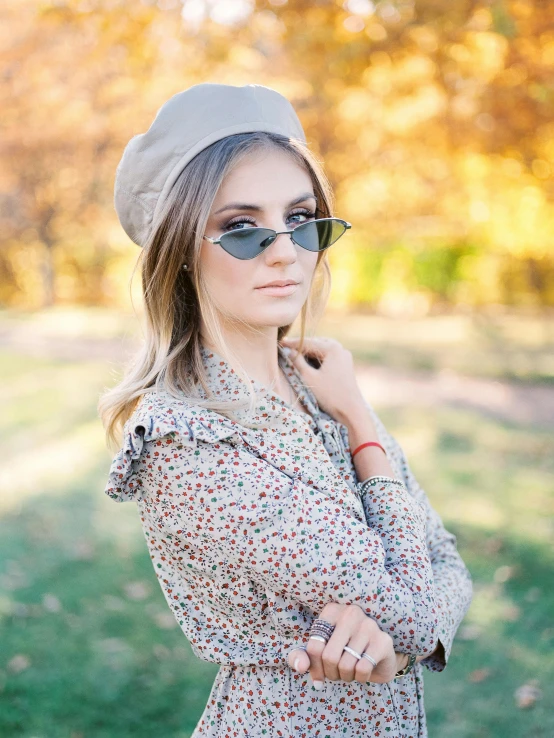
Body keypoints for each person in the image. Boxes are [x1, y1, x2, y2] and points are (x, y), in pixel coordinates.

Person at [99, 82, 473, 737]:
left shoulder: (312, 382)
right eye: (241, 228)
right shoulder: (189, 447)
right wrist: (363, 423)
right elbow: (414, 607)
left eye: (301, 219)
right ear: (181, 250)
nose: (284, 252)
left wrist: (404, 640)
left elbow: (447, 564)